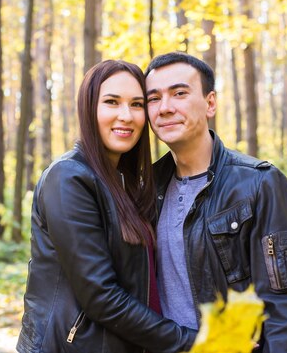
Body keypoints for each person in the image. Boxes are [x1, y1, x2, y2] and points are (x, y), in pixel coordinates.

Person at [16, 60, 196, 353]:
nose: (126, 116)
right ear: (89, 109)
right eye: (112, 102)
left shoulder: (129, 184)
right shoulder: (68, 179)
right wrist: (194, 342)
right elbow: (100, 296)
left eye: (137, 104)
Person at [145, 52, 287, 353]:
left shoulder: (260, 184)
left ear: (210, 103)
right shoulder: (145, 190)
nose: (165, 107)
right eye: (154, 98)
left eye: (179, 93)